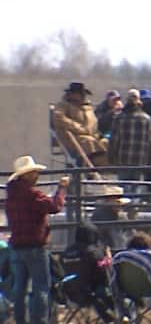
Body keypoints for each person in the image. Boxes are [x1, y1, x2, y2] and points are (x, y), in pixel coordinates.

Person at [6, 156, 70, 324]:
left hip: (16, 245)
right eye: (34, 172)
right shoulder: (32, 194)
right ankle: (39, 320)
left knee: (19, 287)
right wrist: (62, 189)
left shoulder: (12, 194)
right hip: (35, 245)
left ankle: (20, 319)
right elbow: (54, 207)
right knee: (40, 287)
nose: (37, 175)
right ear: (27, 175)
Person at [60, 222, 115, 323]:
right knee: (107, 288)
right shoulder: (93, 252)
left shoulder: (66, 253)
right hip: (92, 294)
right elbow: (104, 274)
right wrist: (108, 259)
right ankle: (120, 315)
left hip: (69, 295)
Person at [109, 89, 151, 191]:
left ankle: (125, 207)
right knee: (137, 191)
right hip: (140, 161)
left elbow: (114, 140)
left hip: (123, 159)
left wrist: (112, 158)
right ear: (139, 101)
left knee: (122, 190)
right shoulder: (147, 119)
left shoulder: (119, 118)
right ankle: (134, 206)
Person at [53, 82, 109, 166]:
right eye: (80, 94)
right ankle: (81, 170)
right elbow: (59, 118)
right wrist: (79, 128)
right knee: (88, 142)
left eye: (83, 94)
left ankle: (100, 169)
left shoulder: (88, 107)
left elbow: (93, 124)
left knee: (106, 142)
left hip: (92, 136)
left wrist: (97, 134)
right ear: (72, 94)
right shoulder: (63, 105)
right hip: (73, 138)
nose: (83, 96)